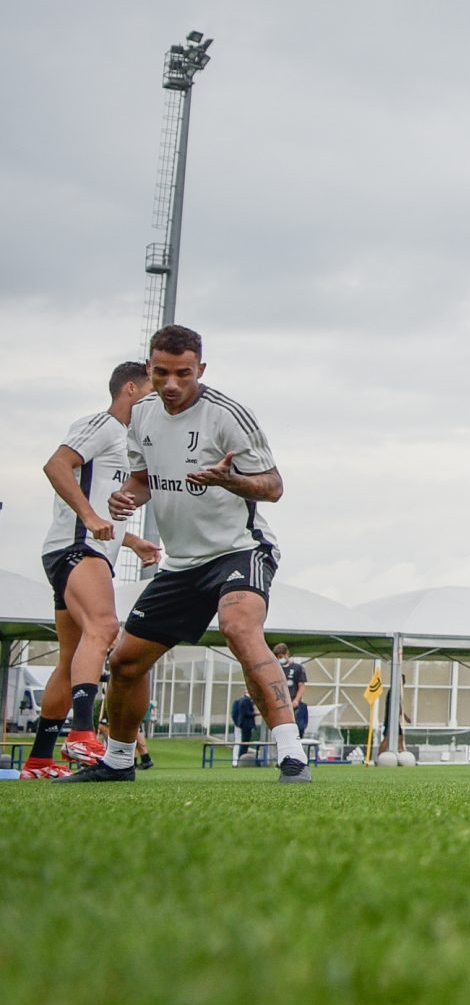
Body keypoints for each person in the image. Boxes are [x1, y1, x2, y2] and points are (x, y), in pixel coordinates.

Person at [70, 325, 306, 784]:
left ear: (201, 369)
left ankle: (292, 756)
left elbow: (274, 487)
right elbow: (143, 479)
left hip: (239, 548)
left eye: (183, 373)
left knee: (238, 627)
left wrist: (231, 481)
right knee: (125, 662)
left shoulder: (228, 415)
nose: (172, 383)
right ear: (149, 369)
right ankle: (118, 761)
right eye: (162, 373)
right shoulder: (141, 415)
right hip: (181, 564)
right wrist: (126, 497)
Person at [27, 360, 160, 777]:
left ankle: (39, 759)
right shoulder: (103, 425)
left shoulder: (131, 443)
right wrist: (87, 517)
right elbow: (55, 465)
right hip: (76, 549)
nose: (158, 398)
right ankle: (83, 734)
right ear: (131, 390)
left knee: (72, 656)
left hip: (84, 549)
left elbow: (103, 501)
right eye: (153, 389)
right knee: (104, 628)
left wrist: (132, 541)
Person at [275, 643, 311, 737]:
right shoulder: (277, 668)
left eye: (281, 656)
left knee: (297, 731)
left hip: (294, 704)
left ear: (287, 654)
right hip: (281, 705)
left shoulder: (297, 668)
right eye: (278, 657)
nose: (280, 659)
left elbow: (301, 686)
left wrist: (296, 700)